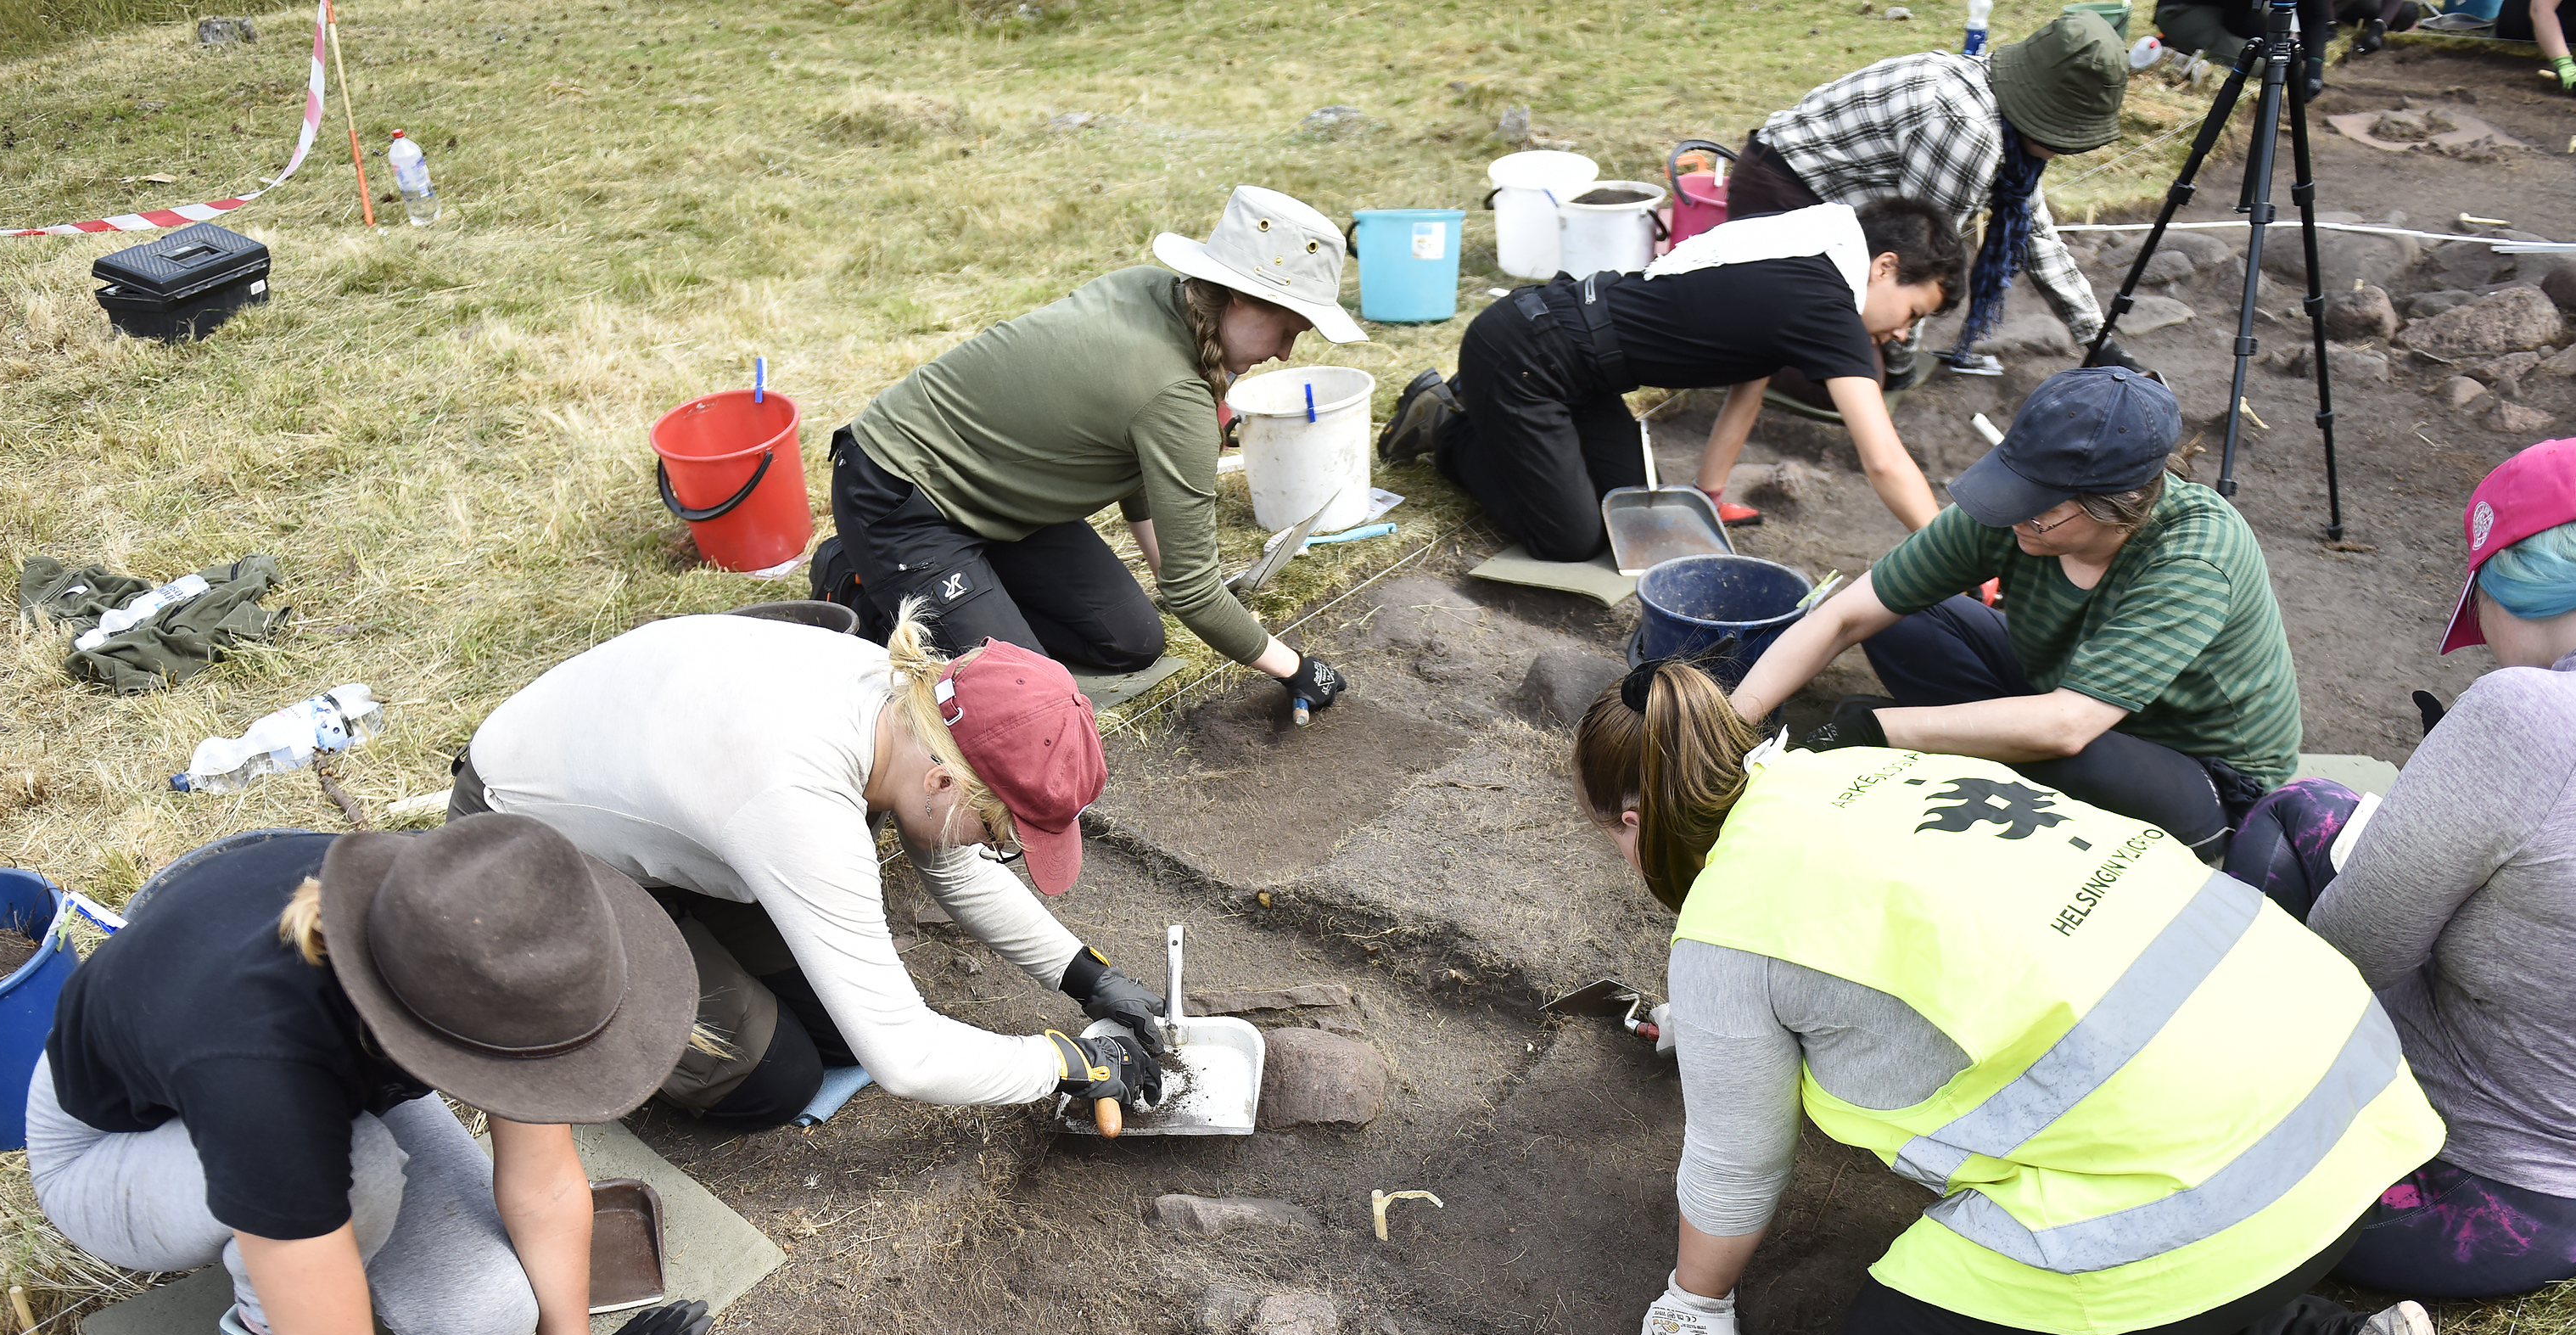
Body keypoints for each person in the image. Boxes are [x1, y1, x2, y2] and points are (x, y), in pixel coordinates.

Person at [1578, 661, 2456, 1335]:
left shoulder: (1727, 925)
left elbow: (1735, 1165)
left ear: (1635, 823)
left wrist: (1695, 1299)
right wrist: (1724, 1022)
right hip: (2334, 1091)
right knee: (2102, 1232)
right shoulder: (1869, 769)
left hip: (2214, 1170)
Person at [26, 815, 711, 1335]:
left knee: (489, 1316)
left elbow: (542, 1180)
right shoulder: (260, 1072)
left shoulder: (476, 930)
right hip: (112, 1148)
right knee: (359, 1173)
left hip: (324, 1084)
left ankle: (314, 1210)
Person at [2226, 440, 2576, 1299]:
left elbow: (2350, 959)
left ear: (2510, 585)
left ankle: (2214, 1076)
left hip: (2462, 1201)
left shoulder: (2532, 715)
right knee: (2325, 816)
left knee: (2288, 826)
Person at [457, 604, 1169, 1134]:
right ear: (944, 783)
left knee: (834, 1029)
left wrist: (1089, 977)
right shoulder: (798, 797)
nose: (990, 848)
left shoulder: (908, 708)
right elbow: (905, 1058)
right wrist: (1067, 1064)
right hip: (527, 850)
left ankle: (686, 919)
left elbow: (951, 865)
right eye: (996, 830)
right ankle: (583, 987)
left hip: (653, 797)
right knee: (771, 1081)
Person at [821, 184, 1351, 722]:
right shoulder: (1175, 394)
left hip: (999, 499)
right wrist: (1295, 667)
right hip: (898, 490)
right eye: (1288, 329)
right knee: (1026, 700)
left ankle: (972, 596)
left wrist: (1164, 563)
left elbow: (1145, 461)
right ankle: (858, 578)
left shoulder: (1158, 292)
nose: (1286, 351)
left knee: (1132, 641)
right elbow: (1194, 592)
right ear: (1239, 298)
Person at [1728, 365, 2300, 860]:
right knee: (1906, 619)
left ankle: (1958, 752)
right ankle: (1963, 740)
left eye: (2038, 510)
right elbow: (1847, 615)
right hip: (2065, 689)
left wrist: (1873, 729)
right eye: (2012, 492)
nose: (2014, 517)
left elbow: (2066, 726)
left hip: (2199, 768)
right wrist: (1726, 723)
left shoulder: (2195, 554)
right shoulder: (2018, 511)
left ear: (2117, 507)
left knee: (2055, 762)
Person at [1688, 15, 2141, 527]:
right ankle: (1731, 340)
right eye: (2064, 131)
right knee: (1858, 376)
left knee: (1850, 346)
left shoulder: (2003, 118)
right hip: (1785, 188)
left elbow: (2035, 233)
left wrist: (2099, 340)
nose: (2064, 145)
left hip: (1857, 217)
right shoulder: (1969, 133)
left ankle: (1761, 361)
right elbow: (1918, 262)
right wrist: (1895, 359)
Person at [1378, 197, 1965, 564]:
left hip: (1574, 365)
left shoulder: (1813, 244)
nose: (1899, 334)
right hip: (1527, 355)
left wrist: (1705, 499)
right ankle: (1450, 425)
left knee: (1630, 520)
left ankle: (1484, 409)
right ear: (1884, 266)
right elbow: (1883, 459)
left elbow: (1748, 384)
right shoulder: (1828, 304)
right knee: (1570, 539)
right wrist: (1955, 556)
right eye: (1912, 313)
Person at [2152, 0, 2340, 98]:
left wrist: (2315, 68)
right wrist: (2276, 48)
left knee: (2286, 56)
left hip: (2240, 8)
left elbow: (2315, 14)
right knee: (2261, 66)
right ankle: (2175, 42)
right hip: (2185, 8)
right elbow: (2235, 20)